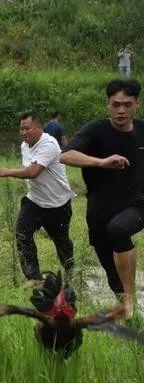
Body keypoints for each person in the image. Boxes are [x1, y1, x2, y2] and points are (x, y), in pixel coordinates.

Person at [60, 78, 144, 317]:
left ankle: (130, 298)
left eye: (127, 104)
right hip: (100, 212)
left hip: (137, 204)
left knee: (118, 229)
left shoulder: (142, 130)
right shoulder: (95, 130)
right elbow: (66, 156)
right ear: (107, 104)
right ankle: (132, 318)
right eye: (116, 104)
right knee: (112, 274)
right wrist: (101, 162)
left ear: (137, 104)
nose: (121, 110)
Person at [0, 111, 76, 288]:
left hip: (57, 204)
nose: (23, 132)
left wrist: (8, 171)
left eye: (27, 128)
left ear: (39, 127)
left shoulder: (49, 144)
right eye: (21, 129)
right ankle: (33, 277)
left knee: (61, 242)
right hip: (34, 201)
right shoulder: (25, 145)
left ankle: (71, 272)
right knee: (22, 234)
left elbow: (33, 172)